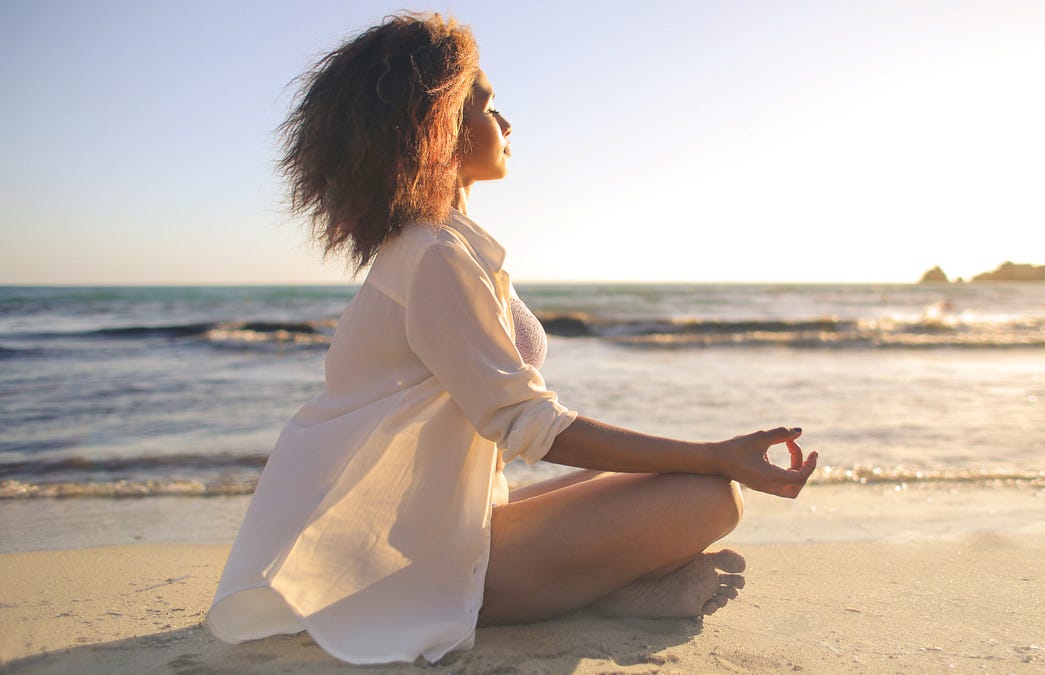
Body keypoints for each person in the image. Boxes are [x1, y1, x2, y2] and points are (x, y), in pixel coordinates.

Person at [206, 12, 818, 666]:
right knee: (706, 492)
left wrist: (702, 454)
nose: (506, 124)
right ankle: (605, 587)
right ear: (436, 124)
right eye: (489, 106)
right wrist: (717, 456)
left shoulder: (446, 247)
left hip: (458, 524)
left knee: (667, 475)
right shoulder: (433, 256)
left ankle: (614, 583)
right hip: (422, 563)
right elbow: (528, 424)